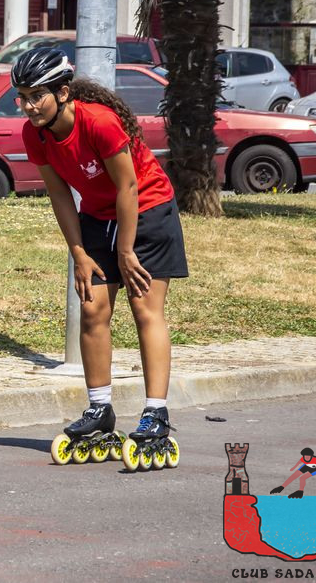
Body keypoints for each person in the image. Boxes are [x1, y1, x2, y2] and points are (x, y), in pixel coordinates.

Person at [13, 47, 189, 463]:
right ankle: (99, 409)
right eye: (22, 97)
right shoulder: (35, 134)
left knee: (144, 308)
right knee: (92, 310)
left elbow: (128, 187)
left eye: (37, 96)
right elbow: (59, 194)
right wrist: (78, 251)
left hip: (147, 209)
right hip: (96, 217)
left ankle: (156, 413)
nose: (29, 106)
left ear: (62, 92)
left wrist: (125, 251)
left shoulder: (99, 122)